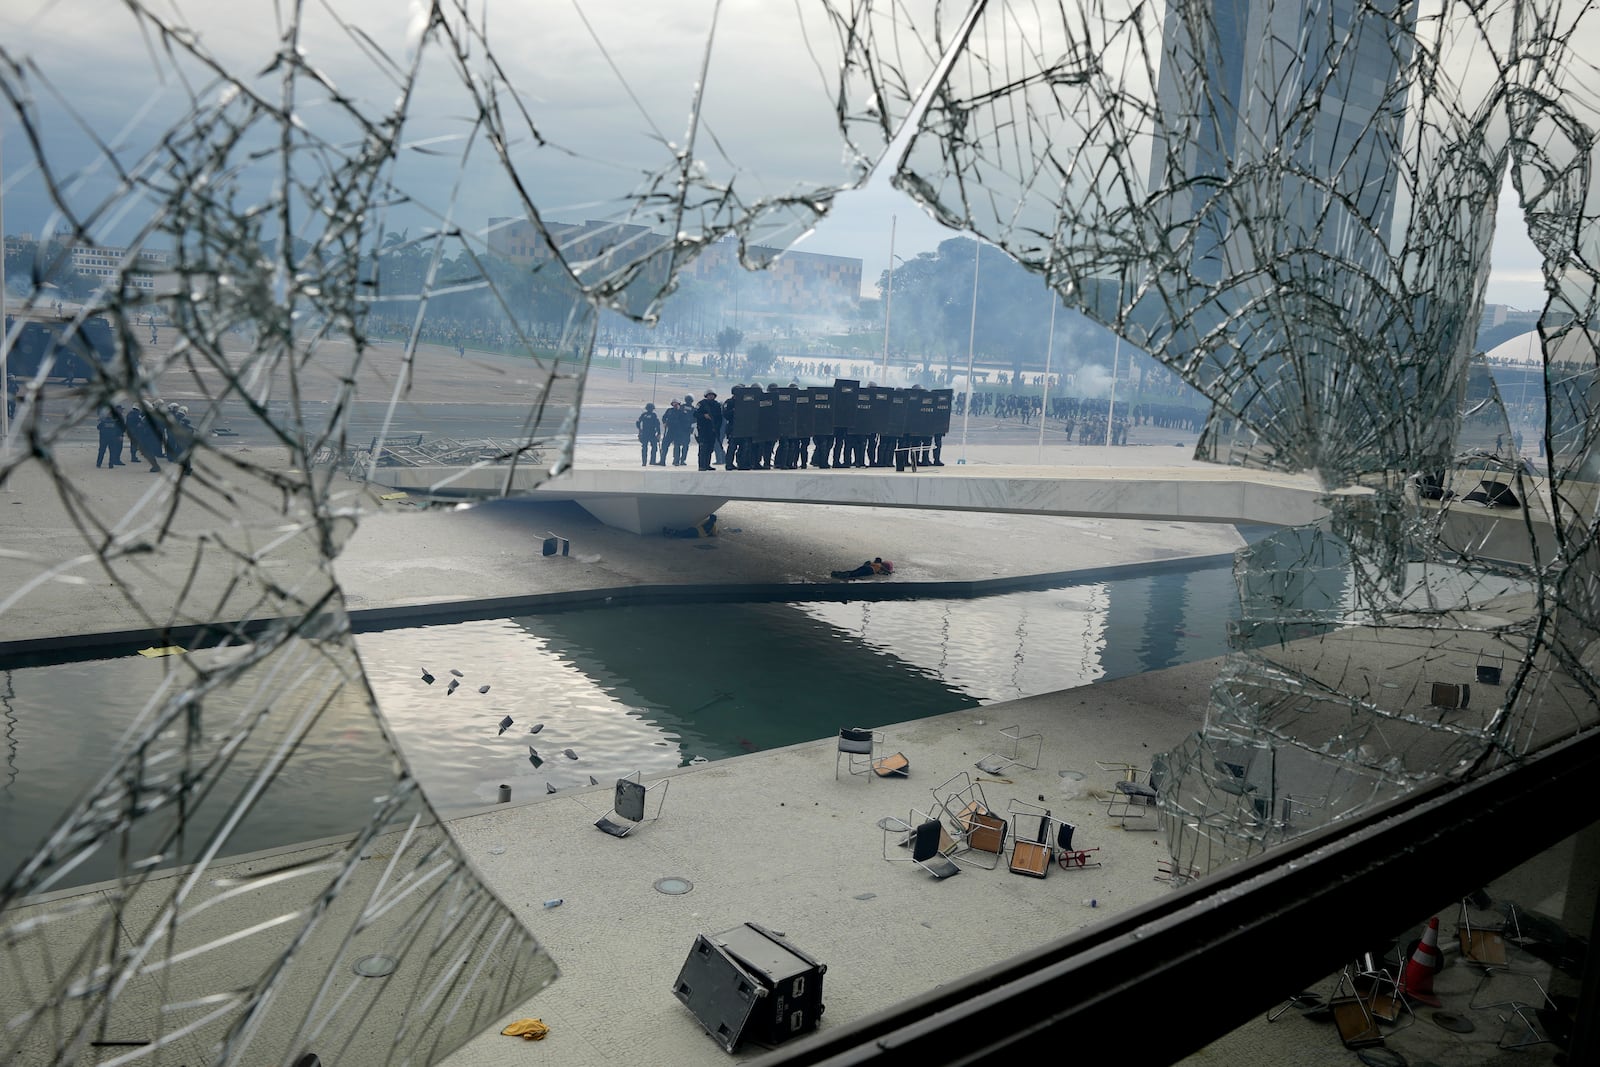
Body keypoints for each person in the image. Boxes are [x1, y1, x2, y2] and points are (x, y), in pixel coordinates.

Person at [694, 390, 723, 471]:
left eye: (712, 395)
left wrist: (717, 428)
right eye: (709, 395)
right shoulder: (701, 404)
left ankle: (707, 464)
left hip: (712, 430)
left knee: (710, 448)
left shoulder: (717, 405)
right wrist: (704, 415)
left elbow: (719, 418)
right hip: (703, 430)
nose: (711, 396)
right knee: (703, 448)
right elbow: (695, 414)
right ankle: (701, 465)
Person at [635, 402, 661, 466]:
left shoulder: (643, 415)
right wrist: (659, 433)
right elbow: (657, 425)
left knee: (644, 448)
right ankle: (652, 461)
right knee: (654, 448)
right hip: (652, 434)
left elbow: (638, 422)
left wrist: (640, 430)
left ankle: (644, 462)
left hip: (644, 433)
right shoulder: (654, 415)